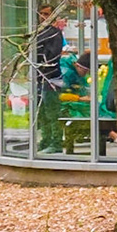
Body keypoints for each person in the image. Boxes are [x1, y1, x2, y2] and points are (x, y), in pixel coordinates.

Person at [33, 10, 67, 152]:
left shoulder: (55, 33)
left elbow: (52, 55)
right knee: (41, 112)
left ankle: (56, 142)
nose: (44, 17)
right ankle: (46, 139)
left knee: (52, 111)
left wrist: (42, 59)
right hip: (39, 76)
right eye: (42, 14)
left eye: (47, 14)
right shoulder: (38, 32)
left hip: (51, 76)